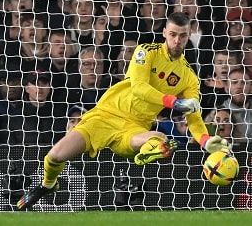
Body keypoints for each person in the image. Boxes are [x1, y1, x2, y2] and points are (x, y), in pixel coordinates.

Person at [16, 12, 231, 211]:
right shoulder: (145, 52)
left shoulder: (188, 77)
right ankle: (48, 184)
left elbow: (193, 115)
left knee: (160, 138)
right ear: (165, 33)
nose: (177, 41)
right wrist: (173, 102)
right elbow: (139, 87)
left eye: (182, 36)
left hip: (134, 128)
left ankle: (148, 154)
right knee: (54, 157)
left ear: (188, 36)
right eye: (172, 34)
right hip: (105, 116)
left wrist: (204, 140)